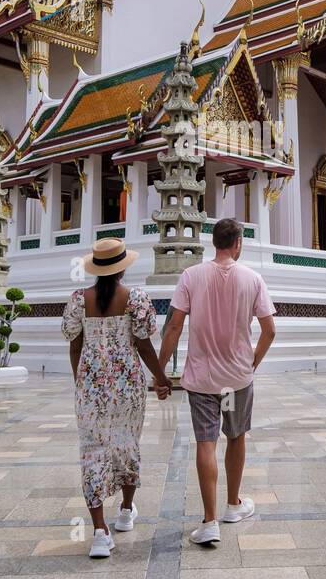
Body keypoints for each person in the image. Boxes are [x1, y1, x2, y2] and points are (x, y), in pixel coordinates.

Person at [158, 218, 276, 546]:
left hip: (202, 380)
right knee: (236, 437)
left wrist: (160, 370)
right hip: (235, 380)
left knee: (206, 442)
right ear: (238, 244)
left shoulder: (191, 276)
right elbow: (269, 330)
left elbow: (174, 327)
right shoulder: (252, 279)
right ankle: (233, 505)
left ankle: (209, 521)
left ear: (214, 243)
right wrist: (252, 362)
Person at [62, 237, 170, 558]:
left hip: (91, 388)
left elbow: (75, 345)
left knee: (93, 453)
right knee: (126, 444)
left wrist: (79, 381)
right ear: (122, 269)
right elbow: (144, 345)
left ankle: (99, 532)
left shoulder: (80, 300)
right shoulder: (134, 298)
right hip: (127, 389)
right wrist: (160, 378)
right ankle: (125, 511)